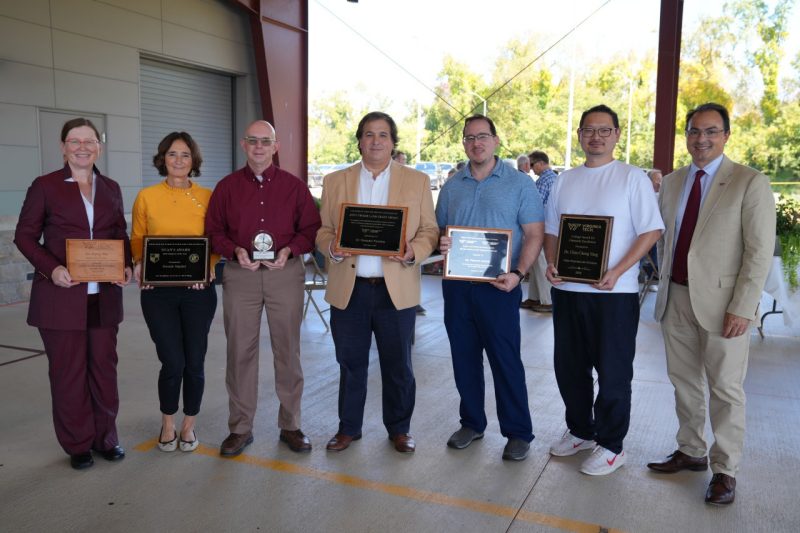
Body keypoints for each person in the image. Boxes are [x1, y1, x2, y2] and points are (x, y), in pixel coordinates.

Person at [647, 103, 776, 505]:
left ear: (726, 136)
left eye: (711, 132)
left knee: (725, 389)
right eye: (693, 131)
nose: (701, 139)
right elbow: (664, 240)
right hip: (676, 297)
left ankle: (725, 470)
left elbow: (758, 251)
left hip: (725, 306)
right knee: (683, 381)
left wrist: (743, 307)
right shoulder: (672, 182)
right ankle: (690, 450)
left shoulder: (749, 182)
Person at [544, 104, 663, 475]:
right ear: (579, 135)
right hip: (569, 291)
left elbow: (651, 230)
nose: (596, 136)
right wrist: (551, 262)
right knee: (569, 367)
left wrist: (617, 270)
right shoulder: (565, 180)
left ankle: (612, 445)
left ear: (616, 134)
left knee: (613, 372)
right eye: (588, 130)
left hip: (614, 294)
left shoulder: (632, 178)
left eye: (604, 130)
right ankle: (581, 430)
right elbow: (552, 231)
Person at [316, 111, 438, 453]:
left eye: (383, 135)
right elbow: (323, 230)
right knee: (350, 363)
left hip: (394, 290)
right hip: (350, 289)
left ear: (392, 142)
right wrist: (332, 248)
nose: (375, 141)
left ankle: (399, 429)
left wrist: (413, 250)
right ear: (359, 140)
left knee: (398, 365)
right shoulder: (334, 180)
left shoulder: (416, 181)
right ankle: (348, 428)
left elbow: (429, 230)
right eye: (369, 134)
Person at [14, 117, 132, 470]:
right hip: (61, 298)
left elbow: (119, 234)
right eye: (75, 141)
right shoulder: (45, 186)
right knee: (68, 374)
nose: (82, 147)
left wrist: (125, 264)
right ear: (63, 146)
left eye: (89, 141)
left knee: (104, 371)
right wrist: (53, 269)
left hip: (104, 297)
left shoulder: (110, 187)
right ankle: (78, 444)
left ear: (100, 146)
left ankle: (105, 438)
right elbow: (23, 236)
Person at [205, 120, 321, 456]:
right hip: (241, 274)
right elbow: (214, 231)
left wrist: (289, 250)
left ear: (276, 146)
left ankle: (291, 425)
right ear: (244, 145)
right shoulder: (226, 188)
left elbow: (310, 229)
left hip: (284, 273)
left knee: (288, 349)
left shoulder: (294, 187)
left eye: (265, 141)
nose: (259, 147)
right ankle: (240, 428)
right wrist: (234, 251)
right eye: (253, 141)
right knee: (239, 351)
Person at [436, 114, 544, 461]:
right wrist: (441, 246)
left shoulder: (519, 184)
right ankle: (472, 422)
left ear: (496, 141)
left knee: (504, 359)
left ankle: (517, 432)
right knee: (463, 358)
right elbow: (440, 231)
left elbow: (534, 234)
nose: (476, 143)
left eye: (483, 136)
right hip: (457, 289)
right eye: (469, 138)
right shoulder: (452, 186)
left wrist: (519, 272)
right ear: (464, 144)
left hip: (500, 286)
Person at [130, 132, 219, 453]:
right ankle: (167, 422)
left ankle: (188, 425)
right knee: (172, 361)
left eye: (185, 155)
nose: (178, 160)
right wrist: (140, 263)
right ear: (162, 159)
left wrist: (209, 266)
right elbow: (138, 238)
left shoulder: (209, 197)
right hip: (158, 293)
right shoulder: (146, 197)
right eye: (172, 154)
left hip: (198, 292)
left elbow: (215, 238)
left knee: (194, 361)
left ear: (193, 160)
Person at [521, 150, 557, 313]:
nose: (532, 168)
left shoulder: (543, 180)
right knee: (536, 263)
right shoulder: (555, 178)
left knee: (541, 262)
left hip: (541, 226)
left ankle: (547, 300)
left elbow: (536, 206)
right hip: (550, 226)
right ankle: (535, 297)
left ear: (541, 163)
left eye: (533, 164)